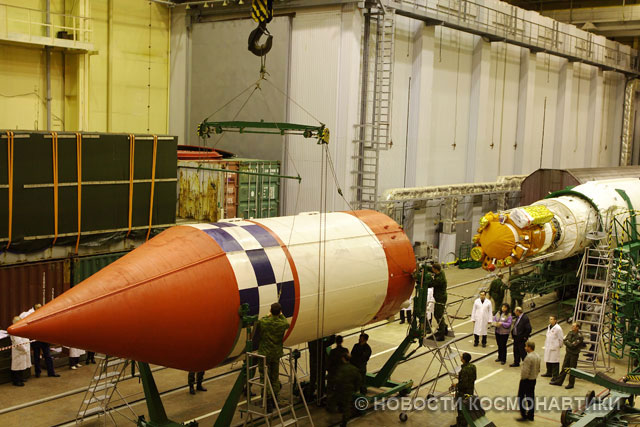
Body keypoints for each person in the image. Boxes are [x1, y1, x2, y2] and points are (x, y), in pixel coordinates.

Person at [254, 302, 290, 407]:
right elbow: (286, 323)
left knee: (265, 376)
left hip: (264, 353)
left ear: (270, 310)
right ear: (280, 312)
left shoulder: (264, 322)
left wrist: (268, 315)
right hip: (276, 353)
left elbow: (260, 321)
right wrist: (281, 314)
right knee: (274, 377)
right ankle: (275, 398)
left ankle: (267, 399)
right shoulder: (282, 323)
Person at [551, 322, 585, 389]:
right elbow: (565, 340)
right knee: (564, 367)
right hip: (568, 353)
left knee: (572, 369)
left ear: (577, 327)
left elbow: (573, 346)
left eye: (574, 326)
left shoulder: (579, 336)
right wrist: (568, 343)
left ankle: (571, 384)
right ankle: (559, 381)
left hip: (574, 354)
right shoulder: (570, 332)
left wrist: (568, 343)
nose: (572, 327)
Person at [31, 304, 60, 378]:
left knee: (48, 356)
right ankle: (37, 372)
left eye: (40, 307)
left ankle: (51, 372)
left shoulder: (44, 315)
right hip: (35, 340)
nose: (40, 308)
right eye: (38, 307)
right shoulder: (31, 316)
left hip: (44, 339)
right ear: (35, 308)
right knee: (36, 357)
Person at [334, 351, 362, 427]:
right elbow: (358, 380)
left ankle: (340, 410)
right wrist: (355, 388)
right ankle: (344, 422)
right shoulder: (354, 369)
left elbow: (337, 379)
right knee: (347, 406)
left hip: (340, 389)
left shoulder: (341, 368)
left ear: (343, 359)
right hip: (349, 390)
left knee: (340, 402)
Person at [451, 352, 476, 427]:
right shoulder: (473, 366)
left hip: (463, 393)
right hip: (470, 390)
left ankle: (461, 425)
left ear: (464, 360)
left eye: (461, 357)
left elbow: (463, 385)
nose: (460, 357)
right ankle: (461, 424)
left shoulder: (464, 370)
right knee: (467, 409)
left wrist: (456, 385)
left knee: (461, 410)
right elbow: (474, 378)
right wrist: (460, 377)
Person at [517, 341, 540, 422]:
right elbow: (538, 369)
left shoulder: (528, 357)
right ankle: (531, 415)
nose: (525, 348)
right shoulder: (537, 356)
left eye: (526, 346)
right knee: (531, 397)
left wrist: (523, 379)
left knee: (521, 397)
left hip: (526, 380)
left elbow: (525, 371)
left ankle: (523, 415)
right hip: (533, 379)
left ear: (529, 347)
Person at [327, 335, 349, 411]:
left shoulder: (333, 352)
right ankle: (341, 406)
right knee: (341, 390)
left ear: (336, 342)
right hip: (342, 374)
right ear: (342, 341)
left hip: (333, 373)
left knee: (331, 390)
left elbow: (329, 363)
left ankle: (330, 406)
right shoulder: (345, 350)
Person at [10, 316, 31, 387]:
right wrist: (24, 349)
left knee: (22, 366)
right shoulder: (14, 330)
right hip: (19, 350)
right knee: (17, 366)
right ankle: (16, 381)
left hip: (24, 350)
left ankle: (21, 378)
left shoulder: (20, 328)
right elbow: (18, 342)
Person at [542, 316, 563, 381]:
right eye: (550, 319)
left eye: (551, 319)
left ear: (555, 320)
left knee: (554, 361)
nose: (550, 320)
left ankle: (555, 375)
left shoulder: (558, 328)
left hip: (554, 347)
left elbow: (561, 338)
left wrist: (559, 345)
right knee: (548, 359)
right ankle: (549, 372)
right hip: (548, 346)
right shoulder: (549, 326)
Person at [431, 263, 448, 341]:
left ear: (435, 269)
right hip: (440, 297)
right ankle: (444, 328)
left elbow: (430, 284)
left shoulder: (439, 279)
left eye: (432, 269)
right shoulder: (441, 272)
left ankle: (441, 334)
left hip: (440, 298)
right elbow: (431, 269)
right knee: (439, 314)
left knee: (438, 315)